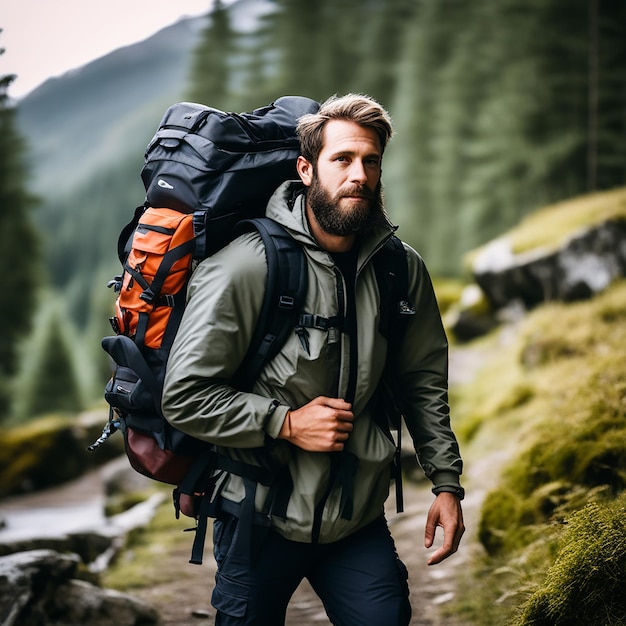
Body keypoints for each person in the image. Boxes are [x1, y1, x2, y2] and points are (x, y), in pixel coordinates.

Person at [162, 93, 465, 626]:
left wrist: (446, 483)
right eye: (342, 159)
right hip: (258, 517)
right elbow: (184, 396)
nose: (360, 175)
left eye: (371, 160)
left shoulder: (399, 268)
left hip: (356, 518)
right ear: (306, 169)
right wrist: (285, 423)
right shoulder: (247, 267)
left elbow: (423, 382)